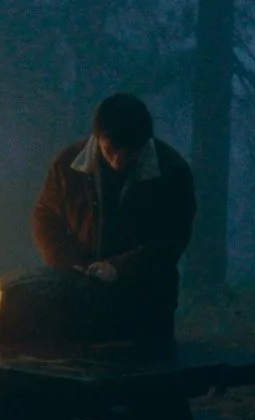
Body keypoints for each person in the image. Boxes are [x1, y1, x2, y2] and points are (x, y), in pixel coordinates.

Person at [29, 93, 198, 340]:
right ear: (98, 139)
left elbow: (172, 239)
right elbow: (45, 216)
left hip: (147, 302)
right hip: (80, 295)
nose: (119, 161)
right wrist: (66, 261)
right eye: (111, 150)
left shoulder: (172, 172)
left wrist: (119, 268)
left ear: (144, 144)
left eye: (130, 154)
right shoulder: (67, 165)